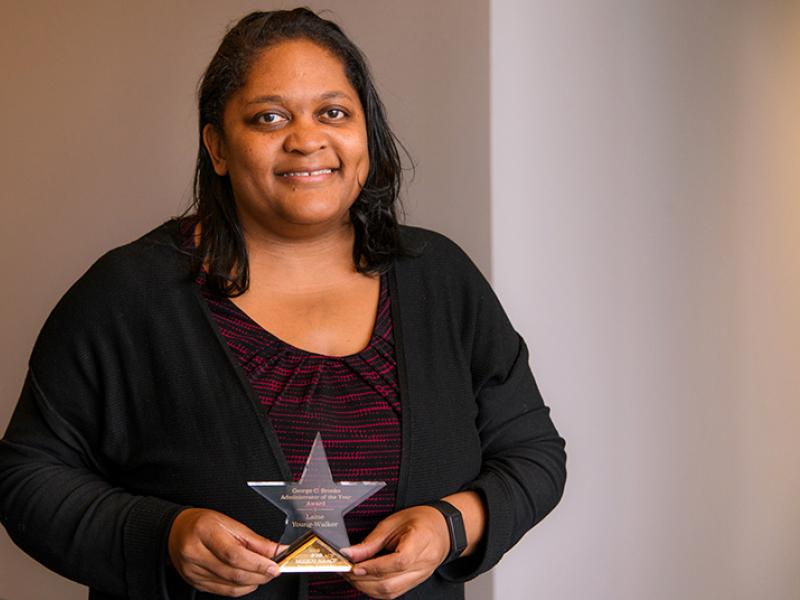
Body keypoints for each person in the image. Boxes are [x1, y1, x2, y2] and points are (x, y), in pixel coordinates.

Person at [0, 8, 566, 600]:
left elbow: (533, 454)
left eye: (333, 112)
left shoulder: (441, 279)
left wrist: (451, 525)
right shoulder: (129, 295)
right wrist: (164, 535)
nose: (306, 139)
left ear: (366, 133)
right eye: (269, 117)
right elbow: (26, 478)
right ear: (218, 147)